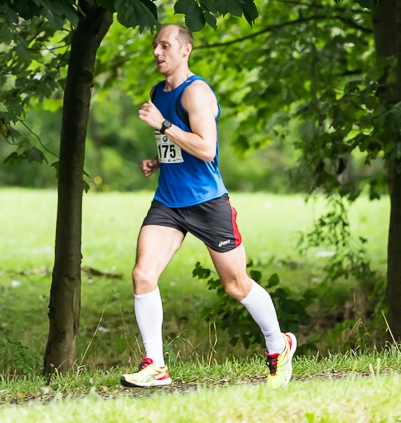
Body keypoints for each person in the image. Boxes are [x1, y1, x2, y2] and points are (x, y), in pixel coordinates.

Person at [120, 24, 296, 389]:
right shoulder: (158, 91)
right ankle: (156, 365)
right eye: (154, 45)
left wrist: (163, 124)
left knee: (236, 285)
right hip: (169, 203)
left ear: (185, 51)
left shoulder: (196, 93)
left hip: (207, 203)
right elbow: (180, 147)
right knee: (143, 275)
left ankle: (279, 345)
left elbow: (206, 148)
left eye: (165, 45)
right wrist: (158, 159)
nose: (156, 52)